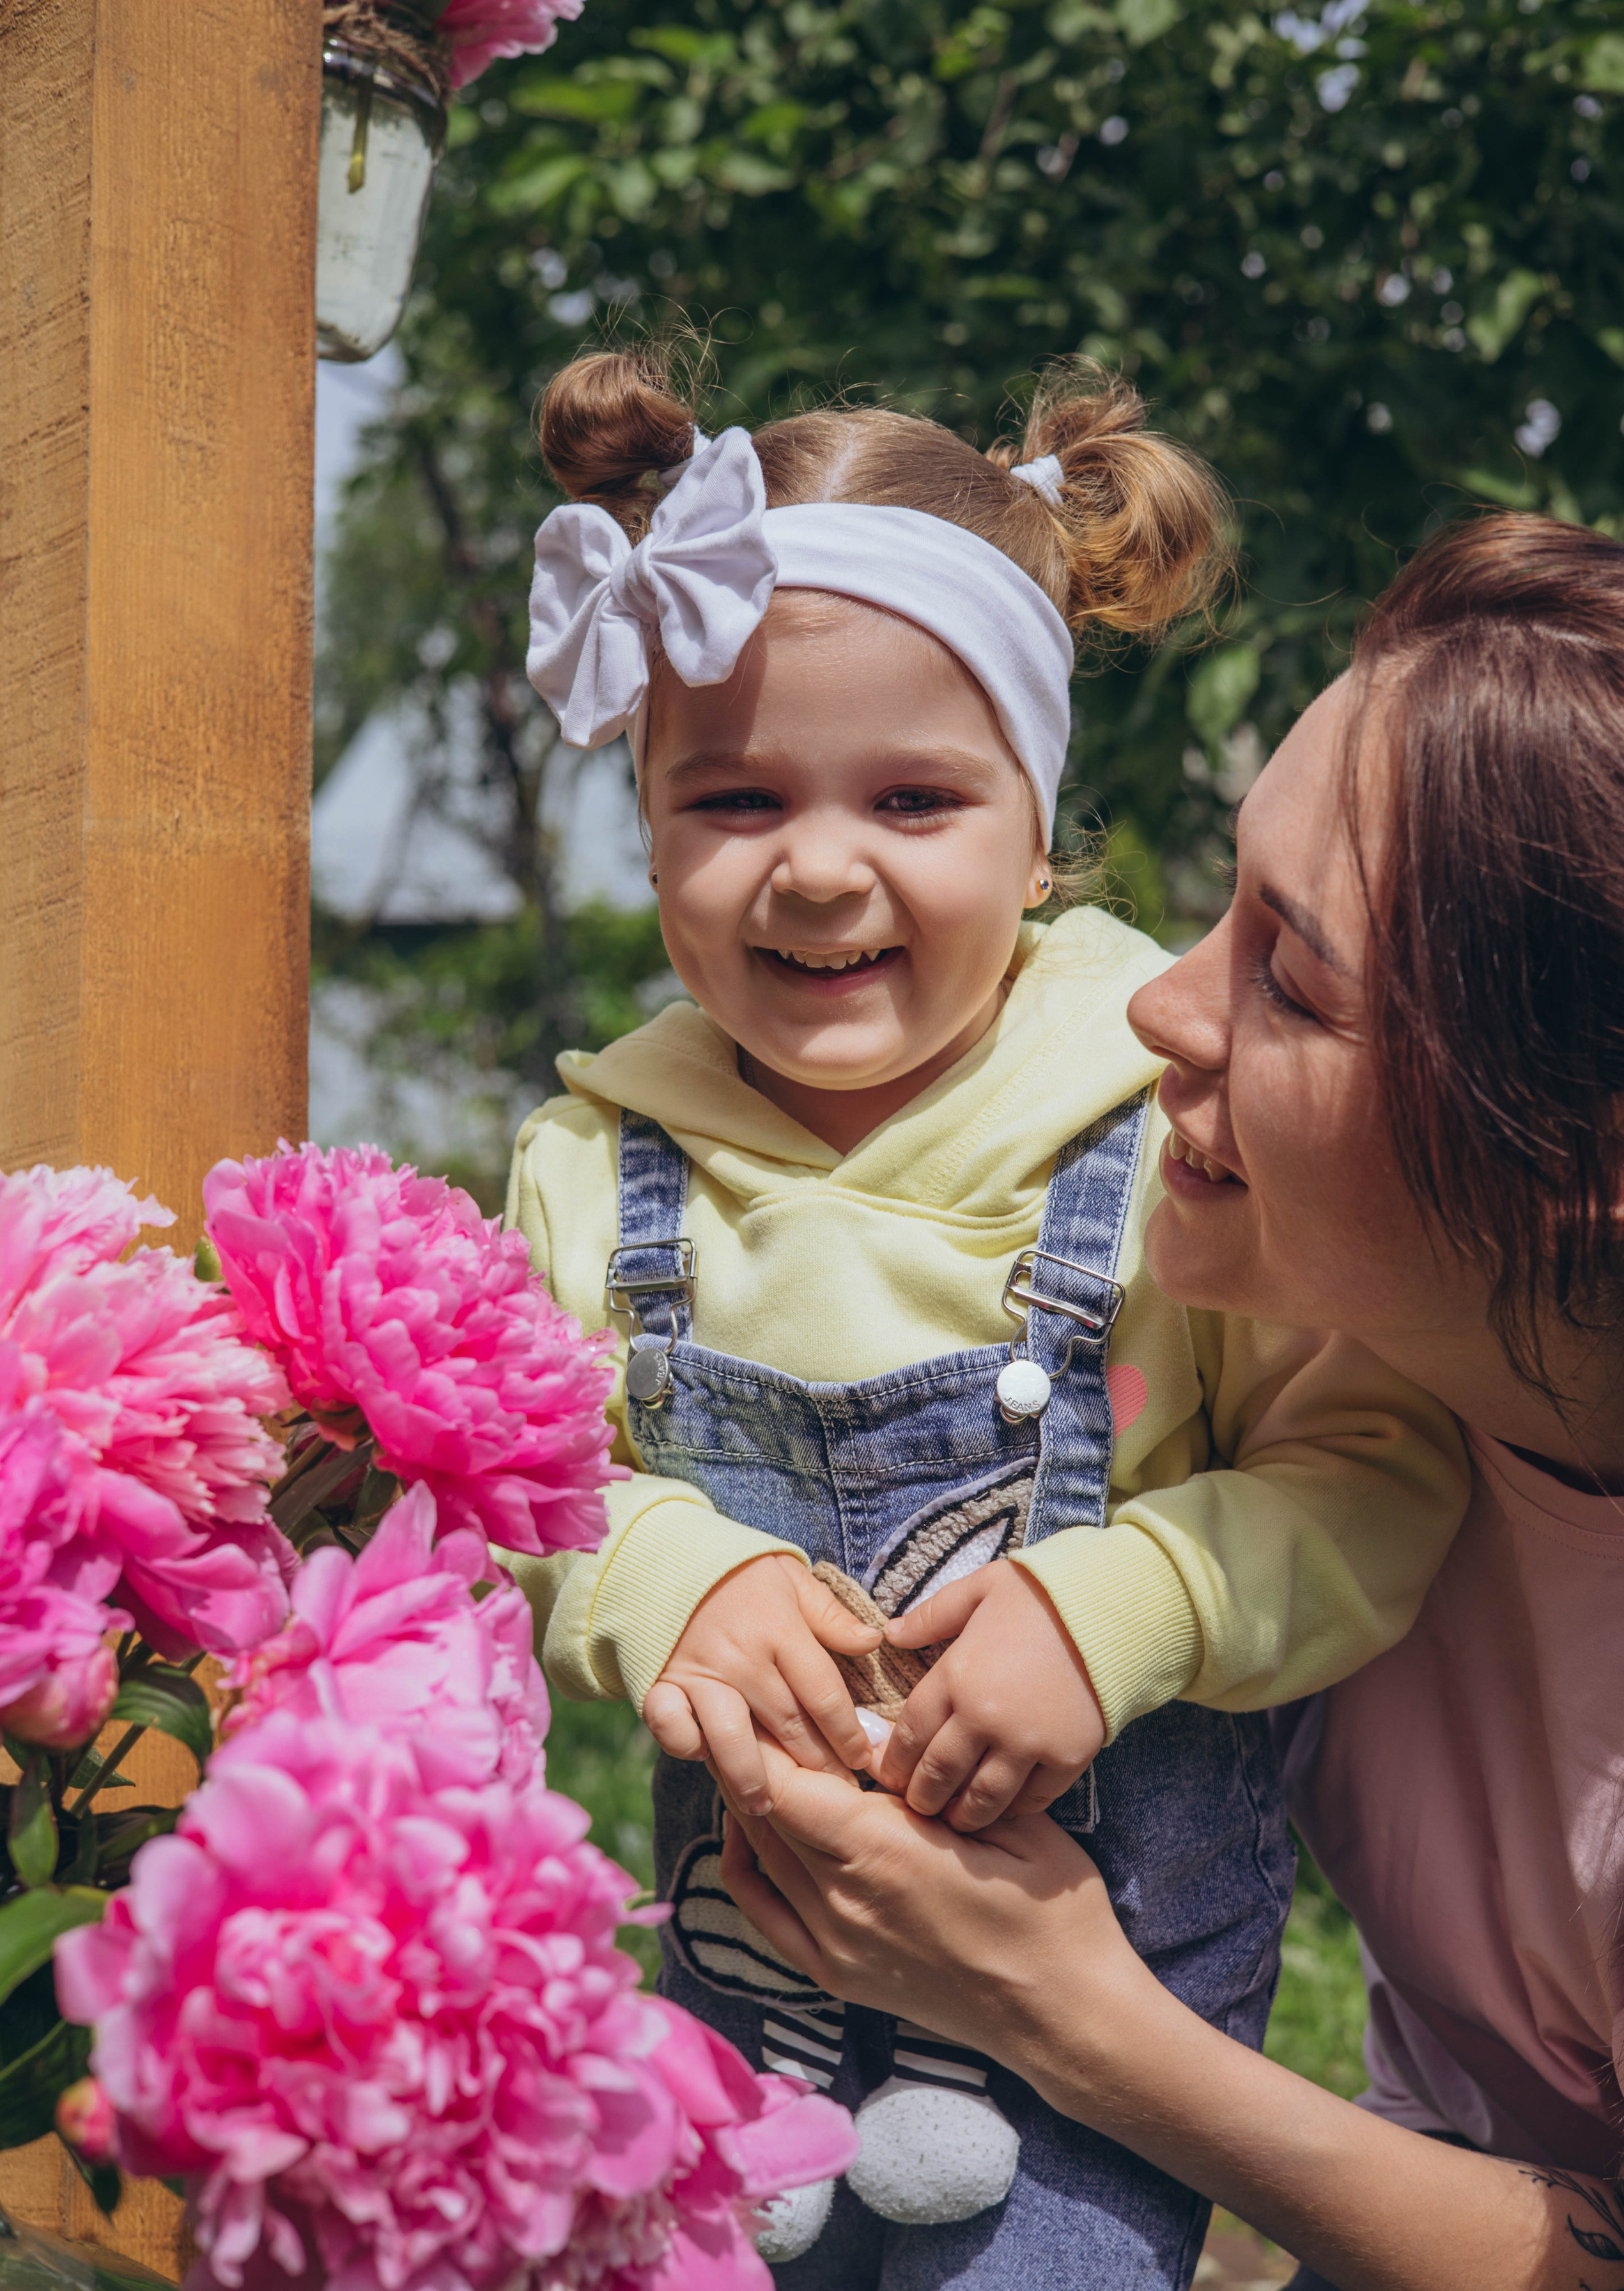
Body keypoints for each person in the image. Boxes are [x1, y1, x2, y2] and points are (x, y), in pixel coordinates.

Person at [503, 346, 1467, 2289]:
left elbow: (1376, 1471)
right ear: (651, 822)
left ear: (1038, 828)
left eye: (917, 798)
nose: (822, 865)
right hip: (739, 1987)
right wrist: (666, 1565)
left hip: (1101, 2046)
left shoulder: (1161, 1127)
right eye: (736, 795)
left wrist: (1115, 1604)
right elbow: (512, 1491)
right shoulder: (600, 1161)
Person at [718, 511, 1624, 2291]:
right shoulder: (1321, 1391)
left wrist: (1068, 2018)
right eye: (1227, 903)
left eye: (1291, 977)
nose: (1158, 1005)